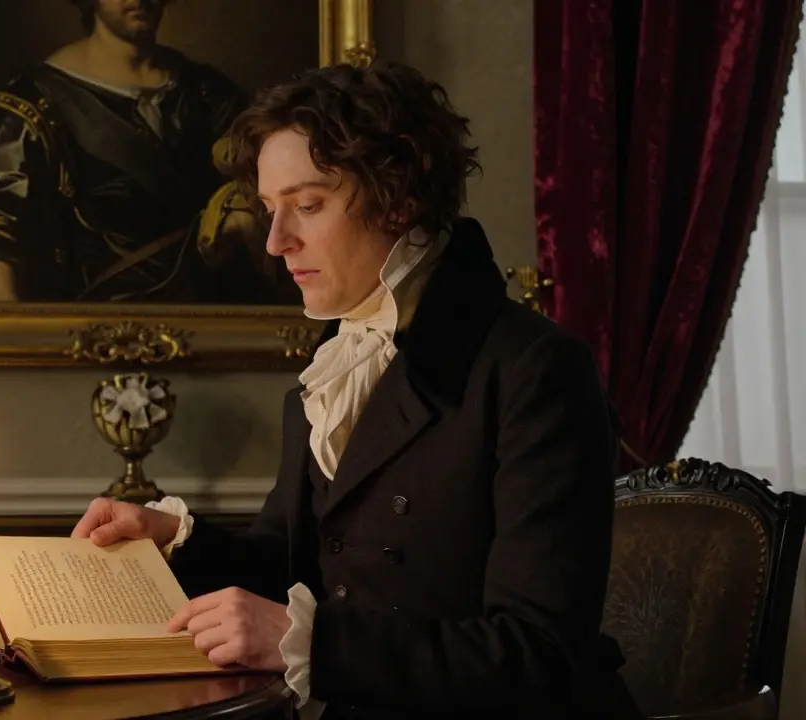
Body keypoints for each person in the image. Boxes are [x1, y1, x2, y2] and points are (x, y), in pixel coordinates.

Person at [72, 61, 642, 719]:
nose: (277, 242)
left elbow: (537, 655)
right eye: (269, 210)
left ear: (398, 199)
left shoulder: (536, 372)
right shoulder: (336, 363)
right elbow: (289, 564)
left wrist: (312, 645)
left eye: (308, 205)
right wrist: (172, 535)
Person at [0, 0, 289, 304]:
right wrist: (17, 335)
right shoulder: (31, 105)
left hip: (211, 330)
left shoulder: (209, 94)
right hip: (87, 331)